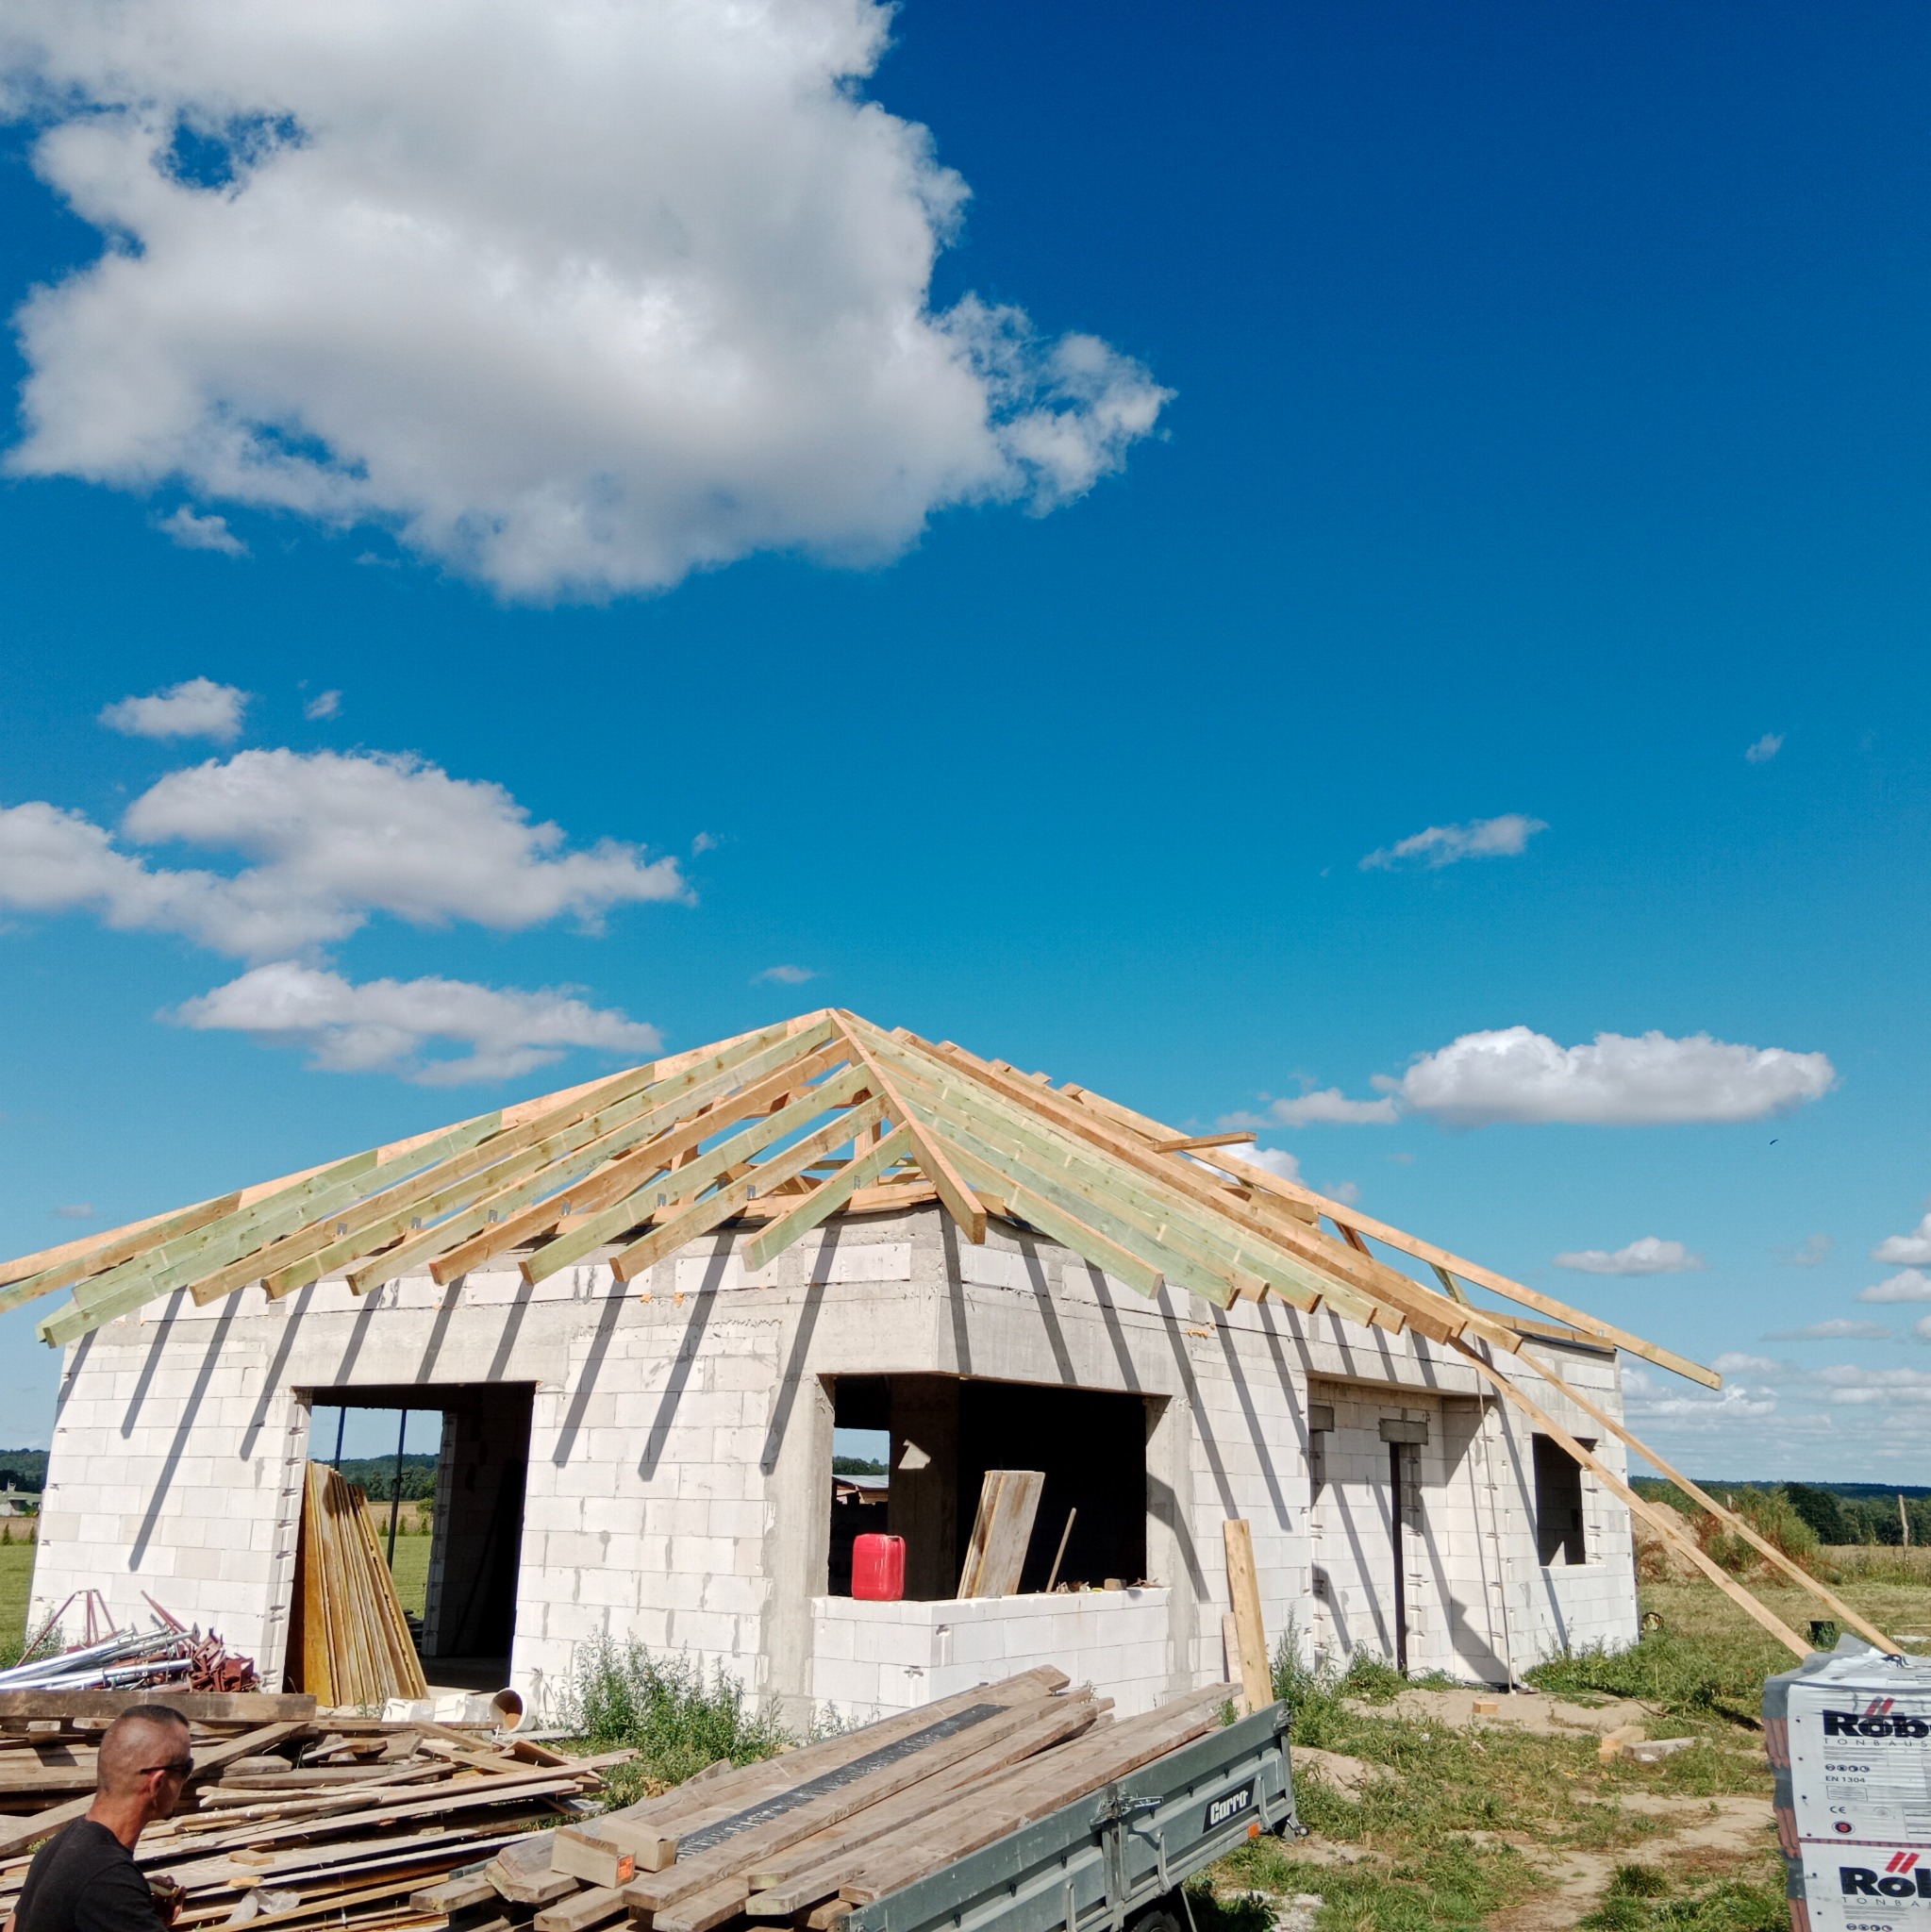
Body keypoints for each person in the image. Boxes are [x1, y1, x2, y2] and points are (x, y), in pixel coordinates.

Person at [6, 1705, 194, 1932]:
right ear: (158, 1783)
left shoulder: (58, 1846)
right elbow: (103, 1892)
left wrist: (144, 1919)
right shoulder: (110, 1881)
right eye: (187, 1768)